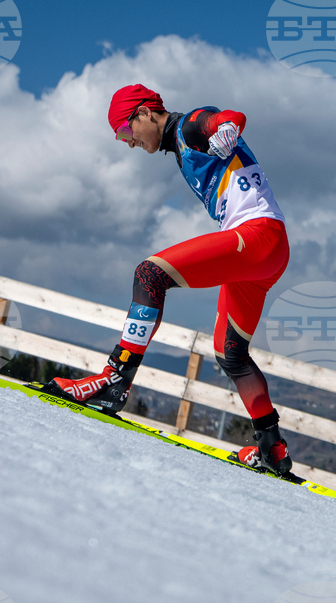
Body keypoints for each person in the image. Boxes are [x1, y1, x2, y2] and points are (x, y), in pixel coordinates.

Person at [43, 84, 292, 475]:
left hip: (257, 237)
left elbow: (224, 119)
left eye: (125, 131)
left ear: (145, 112)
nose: (128, 142)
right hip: (269, 252)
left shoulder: (189, 126)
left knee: (150, 274)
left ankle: (113, 380)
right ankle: (272, 447)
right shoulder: (180, 144)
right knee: (230, 354)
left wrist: (228, 127)